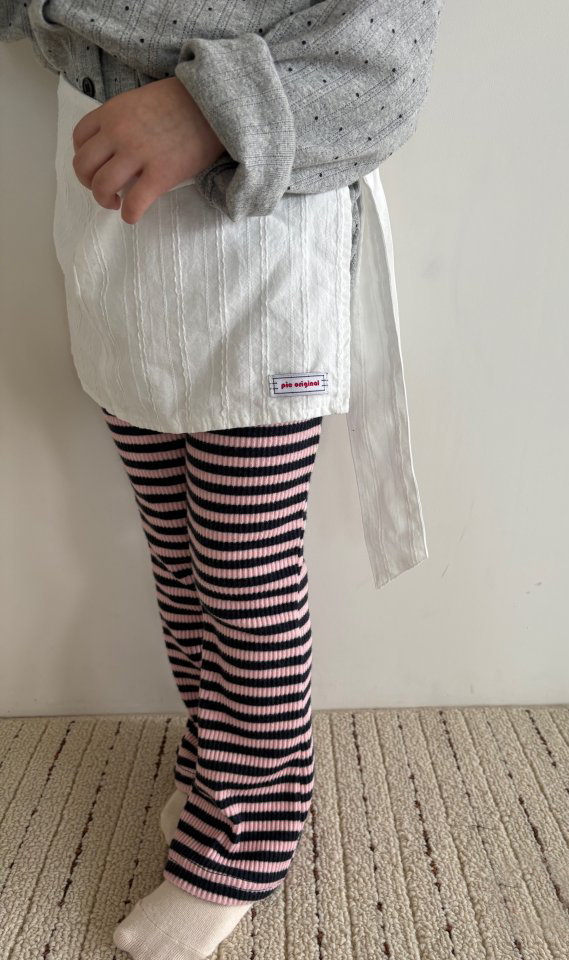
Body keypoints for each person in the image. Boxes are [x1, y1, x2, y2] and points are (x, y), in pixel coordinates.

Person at [0, 2, 444, 958]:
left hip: (259, 231)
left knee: (243, 568)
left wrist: (218, 107)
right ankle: (220, 765)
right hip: (116, 228)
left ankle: (250, 833)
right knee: (178, 553)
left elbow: (388, 36)